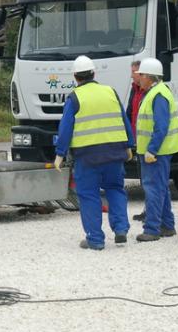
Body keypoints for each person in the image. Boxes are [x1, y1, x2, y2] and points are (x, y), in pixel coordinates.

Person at [54, 55, 135, 250]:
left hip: (87, 157)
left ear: (75, 76)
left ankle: (95, 239)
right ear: (93, 73)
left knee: (89, 195)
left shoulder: (74, 98)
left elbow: (66, 129)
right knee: (115, 189)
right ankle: (121, 230)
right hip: (115, 154)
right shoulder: (111, 92)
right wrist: (129, 146)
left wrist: (60, 154)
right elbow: (124, 119)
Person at [132, 58, 178, 242]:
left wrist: (151, 150)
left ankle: (152, 229)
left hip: (157, 152)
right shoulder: (157, 92)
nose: (139, 79)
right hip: (158, 151)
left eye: (142, 75)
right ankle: (167, 226)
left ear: (149, 76)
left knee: (153, 188)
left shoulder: (158, 95)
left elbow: (160, 126)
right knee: (160, 187)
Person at [127, 60, 147, 222]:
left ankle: (153, 213)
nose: (131, 75)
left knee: (151, 181)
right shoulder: (134, 90)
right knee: (144, 179)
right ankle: (148, 209)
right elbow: (129, 113)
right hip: (138, 141)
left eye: (134, 71)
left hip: (148, 143)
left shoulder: (149, 92)